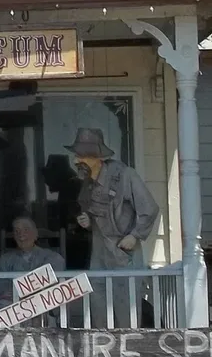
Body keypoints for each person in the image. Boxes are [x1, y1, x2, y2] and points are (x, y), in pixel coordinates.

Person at [67, 127, 159, 325]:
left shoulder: (125, 175)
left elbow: (149, 208)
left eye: (81, 156)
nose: (76, 161)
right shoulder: (87, 182)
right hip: (99, 253)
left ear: (97, 157)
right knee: (98, 303)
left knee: (126, 307)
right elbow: (95, 213)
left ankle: (128, 350)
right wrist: (88, 222)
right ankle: (102, 349)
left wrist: (135, 235)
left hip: (123, 253)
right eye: (76, 156)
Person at [0, 215, 64, 275]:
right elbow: (3, 286)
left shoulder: (53, 258)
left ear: (35, 234)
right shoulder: (5, 260)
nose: (21, 235)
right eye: (17, 231)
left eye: (26, 230)